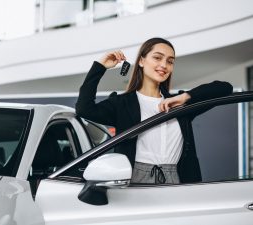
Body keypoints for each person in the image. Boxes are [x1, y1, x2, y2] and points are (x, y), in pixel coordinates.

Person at [76, 37, 233, 184]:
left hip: (178, 178)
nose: (164, 65)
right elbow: (84, 109)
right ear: (142, 61)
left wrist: (186, 97)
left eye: (170, 61)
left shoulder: (179, 103)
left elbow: (225, 88)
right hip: (135, 178)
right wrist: (100, 66)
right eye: (157, 58)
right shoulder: (122, 103)